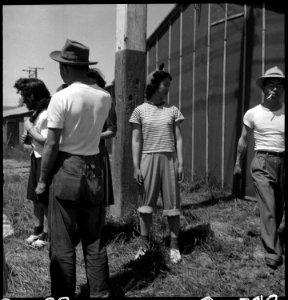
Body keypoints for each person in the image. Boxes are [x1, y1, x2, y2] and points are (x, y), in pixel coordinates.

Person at [35, 39, 112, 298]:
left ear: (65, 68)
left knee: (62, 243)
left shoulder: (61, 97)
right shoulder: (104, 96)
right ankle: (100, 293)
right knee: (95, 240)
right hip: (94, 167)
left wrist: (43, 180)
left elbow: (52, 144)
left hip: (66, 168)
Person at [129, 63, 184, 264]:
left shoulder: (173, 110)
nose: (168, 88)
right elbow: (136, 140)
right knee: (145, 206)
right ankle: (144, 246)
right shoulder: (139, 111)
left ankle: (174, 246)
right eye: (165, 84)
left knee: (172, 205)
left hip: (169, 159)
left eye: (169, 85)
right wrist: (136, 166)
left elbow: (178, 138)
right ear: (154, 86)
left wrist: (180, 163)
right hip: (148, 159)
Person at [233, 66, 285, 270]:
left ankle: (272, 234)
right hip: (262, 161)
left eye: (280, 85)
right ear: (263, 88)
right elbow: (244, 140)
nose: (275, 89)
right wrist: (238, 162)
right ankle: (272, 251)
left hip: (283, 162)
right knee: (269, 205)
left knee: (278, 206)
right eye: (271, 84)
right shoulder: (253, 113)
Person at [14, 77, 50, 249]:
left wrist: (29, 129)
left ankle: (48, 234)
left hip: (45, 159)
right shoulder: (37, 112)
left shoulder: (47, 113)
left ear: (33, 95)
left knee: (45, 199)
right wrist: (28, 139)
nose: (23, 100)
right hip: (36, 157)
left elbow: (47, 141)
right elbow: (36, 140)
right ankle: (37, 229)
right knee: (35, 198)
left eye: (24, 95)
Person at [87, 68, 117, 207]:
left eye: (95, 85)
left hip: (99, 154)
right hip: (79, 155)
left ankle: (100, 228)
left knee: (99, 197)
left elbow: (112, 131)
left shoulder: (106, 103)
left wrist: (95, 135)